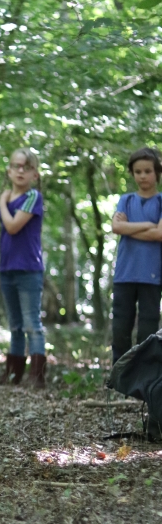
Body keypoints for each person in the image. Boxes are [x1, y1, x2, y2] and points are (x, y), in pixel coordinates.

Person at [0, 148, 46, 388]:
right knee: (15, 325)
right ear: (9, 170)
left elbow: (13, 226)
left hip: (28, 268)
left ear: (34, 174)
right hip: (7, 268)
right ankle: (14, 375)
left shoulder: (33, 197)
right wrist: (4, 200)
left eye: (26, 167)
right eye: (16, 166)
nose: (20, 171)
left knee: (31, 324)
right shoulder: (8, 196)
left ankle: (37, 377)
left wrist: (2, 202)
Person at [111, 147, 162, 364]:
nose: (142, 176)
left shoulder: (160, 201)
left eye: (147, 171)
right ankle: (119, 377)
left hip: (152, 275)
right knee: (121, 328)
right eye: (138, 171)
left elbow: (160, 234)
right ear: (132, 173)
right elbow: (116, 228)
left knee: (148, 331)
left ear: (157, 172)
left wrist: (128, 227)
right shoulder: (126, 200)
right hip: (124, 274)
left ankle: (145, 380)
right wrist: (147, 225)